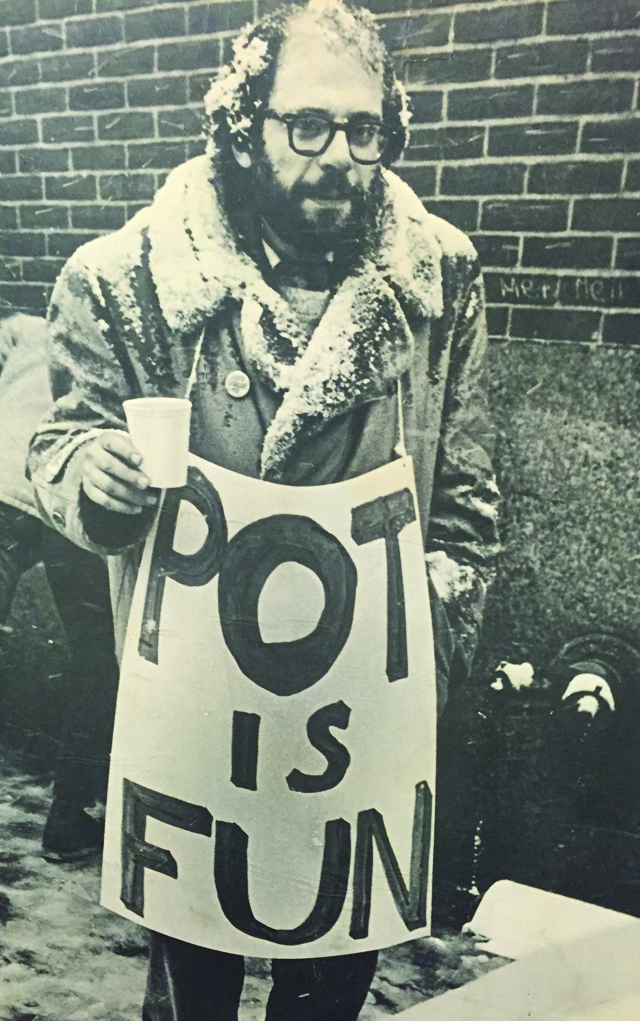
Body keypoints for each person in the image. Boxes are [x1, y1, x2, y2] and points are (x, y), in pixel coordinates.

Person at [28, 1, 500, 1017]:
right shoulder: (128, 283)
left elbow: (465, 509)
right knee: (189, 979)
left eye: (363, 127)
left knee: (329, 981)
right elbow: (58, 443)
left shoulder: (442, 283)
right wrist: (94, 477)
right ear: (245, 126)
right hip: (198, 734)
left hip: (349, 742)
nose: (338, 155)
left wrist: (424, 651)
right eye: (307, 125)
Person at [0, 313, 119, 862]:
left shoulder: (23, 330)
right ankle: (70, 818)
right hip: (63, 498)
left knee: (96, 657)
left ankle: (72, 820)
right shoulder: (114, 336)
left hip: (13, 487)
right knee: (97, 657)